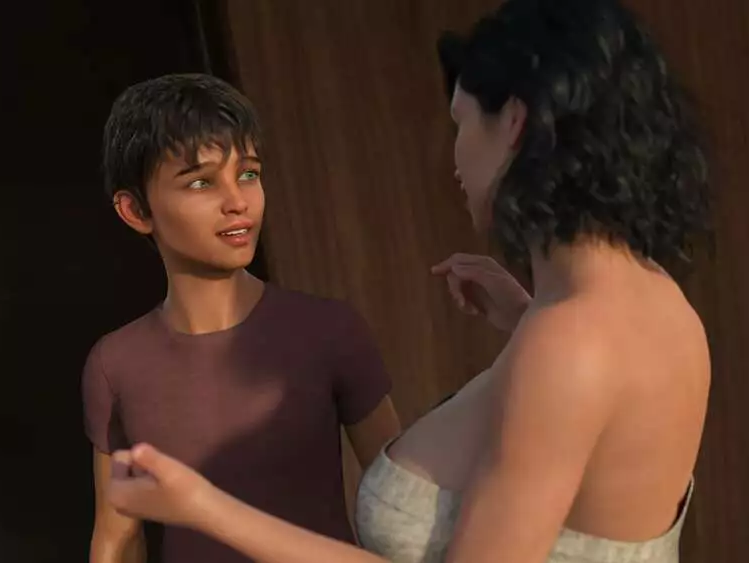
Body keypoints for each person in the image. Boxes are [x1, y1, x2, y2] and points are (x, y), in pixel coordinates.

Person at [102, 0, 712, 561]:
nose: (455, 159)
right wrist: (527, 318)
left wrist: (204, 507)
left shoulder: (569, 345)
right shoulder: (645, 298)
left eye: (461, 124)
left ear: (514, 124)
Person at [82, 73, 402, 563]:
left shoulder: (329, 332)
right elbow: (116, 537)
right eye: (201, 182)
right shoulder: (116, 365)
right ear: (135, 210)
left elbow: (400, 511)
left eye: (248, 174)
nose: (237, 202)